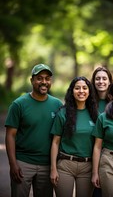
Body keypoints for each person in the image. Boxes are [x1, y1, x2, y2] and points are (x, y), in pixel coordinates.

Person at [5, 64, 63, 197]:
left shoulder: (57, 105)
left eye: (47, 78)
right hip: (23, 163)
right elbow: (10, 135)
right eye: (39, 78)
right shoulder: (18, 104)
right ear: (32, 81)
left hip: (47, 165)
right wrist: (13, 164)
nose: (44, 82)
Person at [50, 76, 99, 197]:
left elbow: (98, 145)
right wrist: (53, 169)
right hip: (65, 165)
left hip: (88, 166)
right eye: (77, 88)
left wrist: (95, 171)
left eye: (84, 88)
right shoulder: (62, 113)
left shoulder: (96, 115)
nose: (81, 91)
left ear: (89, 91)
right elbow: (55, 143)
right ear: (72, 91)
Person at [91, 67, 113, 197]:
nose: (101, 81)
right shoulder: (88, 101)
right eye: (97, 78)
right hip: (91, 153)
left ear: (110, 81)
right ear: (93, 81)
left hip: (111, 155)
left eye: (104, 78)